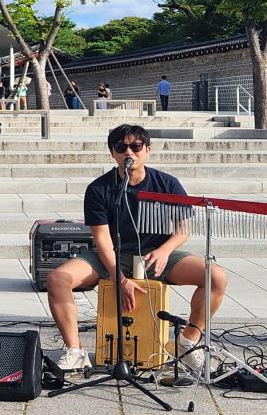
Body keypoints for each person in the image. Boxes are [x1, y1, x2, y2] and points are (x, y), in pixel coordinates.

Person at [45, 124, 227, 373]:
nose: (128, 152)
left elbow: (183, 229)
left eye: (136, 146)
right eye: (121, 147)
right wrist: (119, 278)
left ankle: (188, 342)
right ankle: (75, 351)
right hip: (113, 254)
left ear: (147, 150)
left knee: (215, 276)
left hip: (156, 254)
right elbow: (102, 240)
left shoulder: (168, 184)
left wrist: (164, 251)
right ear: (113, 154)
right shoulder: (99, 189)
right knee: (58, 279)